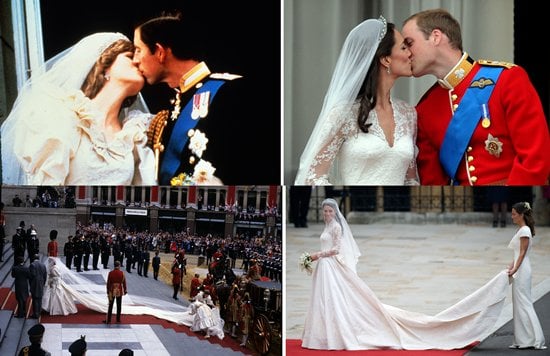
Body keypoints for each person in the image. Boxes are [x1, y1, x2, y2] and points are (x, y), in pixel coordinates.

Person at [301, 198, 511, 350]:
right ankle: (322, 334)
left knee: (336, 299)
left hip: (329, 263)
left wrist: (316, 255)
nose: (327, 214)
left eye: (329, 211)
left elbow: (337, 249)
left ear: (334, 213)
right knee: (323, 301)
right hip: (325, 268)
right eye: (325, 211)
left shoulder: (336, 227)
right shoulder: (327, 226)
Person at [401, 9, 550, 185]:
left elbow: (535, 160)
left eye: (409, 43)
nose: (407, 53)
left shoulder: (507, 79)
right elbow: (433, 183)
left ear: (435, 37)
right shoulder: (425, 108)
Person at [132, 12, 277, 185]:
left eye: (138, 50)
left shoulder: (230, 91)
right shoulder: (176, 102)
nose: (135, 60)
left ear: (160, 52)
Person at [0, 32, 155, 185]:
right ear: (104, 66)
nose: (137, 62)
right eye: (129, 56)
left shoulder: (134, 133)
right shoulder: (62, 116)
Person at [294, 17, 419, 185]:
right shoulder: (343, 114)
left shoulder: (408, 114)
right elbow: (312, 177)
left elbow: (410, 180)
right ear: (386, 59)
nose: (411, 53)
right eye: (404, 47)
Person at [507, 202, 546, 349]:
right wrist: (511, 266)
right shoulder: (522, 229)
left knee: (525, 303)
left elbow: (522, 253)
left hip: (523, 270)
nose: (512, 217)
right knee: (518, 304)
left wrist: (515, 269)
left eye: (514, 214)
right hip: (520, 268)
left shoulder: (524, 231)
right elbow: (517, 253)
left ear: (522, 214)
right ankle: (522, 340)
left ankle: (534, 339)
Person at [29, 255, 47, 319]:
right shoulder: (43, 265)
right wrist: (43, 283)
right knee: (40, 298)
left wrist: (30, 284)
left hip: (35, 283)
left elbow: (32, 275)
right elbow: (45, 275)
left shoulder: (32, 265)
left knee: (35, 299)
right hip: (41, 283)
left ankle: (35, 314)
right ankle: (39, 312)